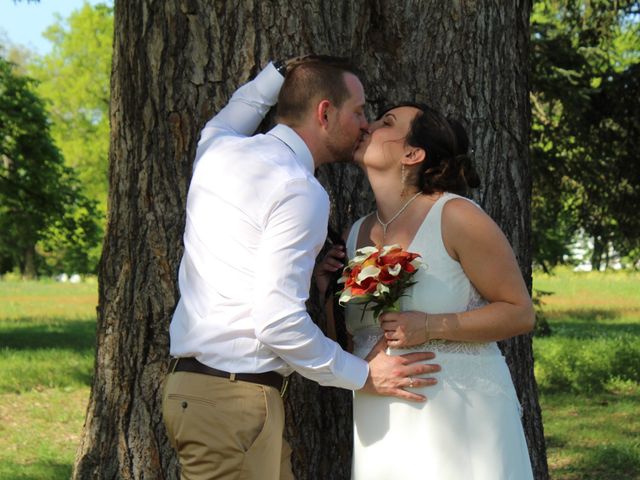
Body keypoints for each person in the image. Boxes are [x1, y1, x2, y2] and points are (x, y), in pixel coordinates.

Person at [161, 58, 441, 480]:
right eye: (359, 111)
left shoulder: (218, 148)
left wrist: (277, 73)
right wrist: (362, 374)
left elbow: (233, 112)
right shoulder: (299, 189)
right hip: (231, 404)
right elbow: (278, 322)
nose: (365, 125)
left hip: (207, 395)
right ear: (324, 113)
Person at [317, 102, 536, 479]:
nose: (368, 125)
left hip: (460, 422)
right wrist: (325, 291)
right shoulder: (356, 233)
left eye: (386, 123)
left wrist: (431, 325)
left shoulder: (456, 215)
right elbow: (350, 345)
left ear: (412, 153)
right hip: (382, 425)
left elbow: (519, 312)